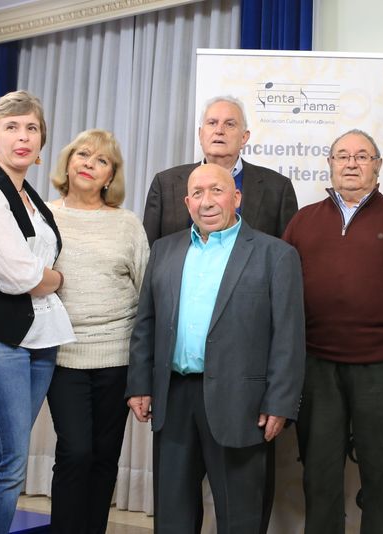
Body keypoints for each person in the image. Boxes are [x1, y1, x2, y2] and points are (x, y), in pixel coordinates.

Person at [126, 163, 305, 533]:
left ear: (237, 197)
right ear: (187, 202)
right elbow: (146, 323)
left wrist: (280, 402)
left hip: (242, 403)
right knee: (172, 516)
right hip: (173, 398)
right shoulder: (163, 250)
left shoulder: (277, 255)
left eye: (217, 191)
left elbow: (289, 337)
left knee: (240, 515)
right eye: (198, 193)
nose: (207, 201)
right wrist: (140, 384)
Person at [283, 129, 383, 534]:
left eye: (361, 156)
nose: (351, 163)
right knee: (319, 475)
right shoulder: (304, 221)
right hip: (317, 368)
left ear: (377, 165)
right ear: (331, 165)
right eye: (342, 156)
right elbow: (280, 297)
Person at [0, 90, 75, 534]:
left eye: (32, 128)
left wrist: (44, 274)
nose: (23, 137)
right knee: (6, 465)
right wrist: (55, 279)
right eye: (12, 127)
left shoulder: (32, 199)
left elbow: (37, 267)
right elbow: (17, 276)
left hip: (38, 339)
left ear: (41, 142)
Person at [46, 129, 149, 533]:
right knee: (75, 452)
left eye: (101, 160)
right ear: (68, 163)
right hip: (64, 355)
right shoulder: (43, 216)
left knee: (105, 455)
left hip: (118, 357)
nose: (89, 163)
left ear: (110, 177)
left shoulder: (127, 224)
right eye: (82, 154)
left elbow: (147, 294)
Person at [143, 95, 298, 244]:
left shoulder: (278, 189)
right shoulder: (165, 184)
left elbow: (284, 256)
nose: (219, 130)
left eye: (230, 124)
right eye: (212, 123)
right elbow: (151, 252)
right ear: (200, 134)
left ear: (244, 137)